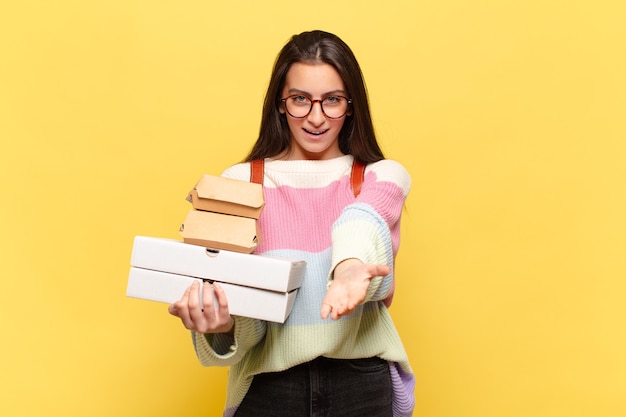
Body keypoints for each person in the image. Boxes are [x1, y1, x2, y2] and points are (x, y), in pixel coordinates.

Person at [168, 30, 415, 417]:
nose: (316, 118)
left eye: (332, 100)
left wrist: (348, 268)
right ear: (280, 104)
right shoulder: (239, 183)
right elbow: (238, 316)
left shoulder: (381, 176)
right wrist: (222, 325)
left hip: (361, 385)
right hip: (270, 388)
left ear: (351, 106)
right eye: (300, 99)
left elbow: (364, 220)